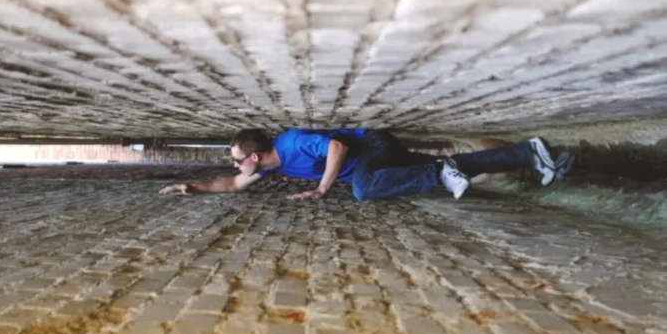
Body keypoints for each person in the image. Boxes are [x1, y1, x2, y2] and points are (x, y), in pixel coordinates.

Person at [158, 128, 573, 201]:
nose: (235, 167)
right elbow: (231, 185)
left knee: (364, 189)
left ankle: (437, 174)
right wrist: (190, 187)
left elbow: (338, 147)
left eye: (236, 160)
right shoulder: (264, 167)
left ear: (252, 156)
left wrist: (322, 189)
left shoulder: (292, 142)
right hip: (377, 163)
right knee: (458, 163)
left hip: (373, 145)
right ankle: (530, 152)